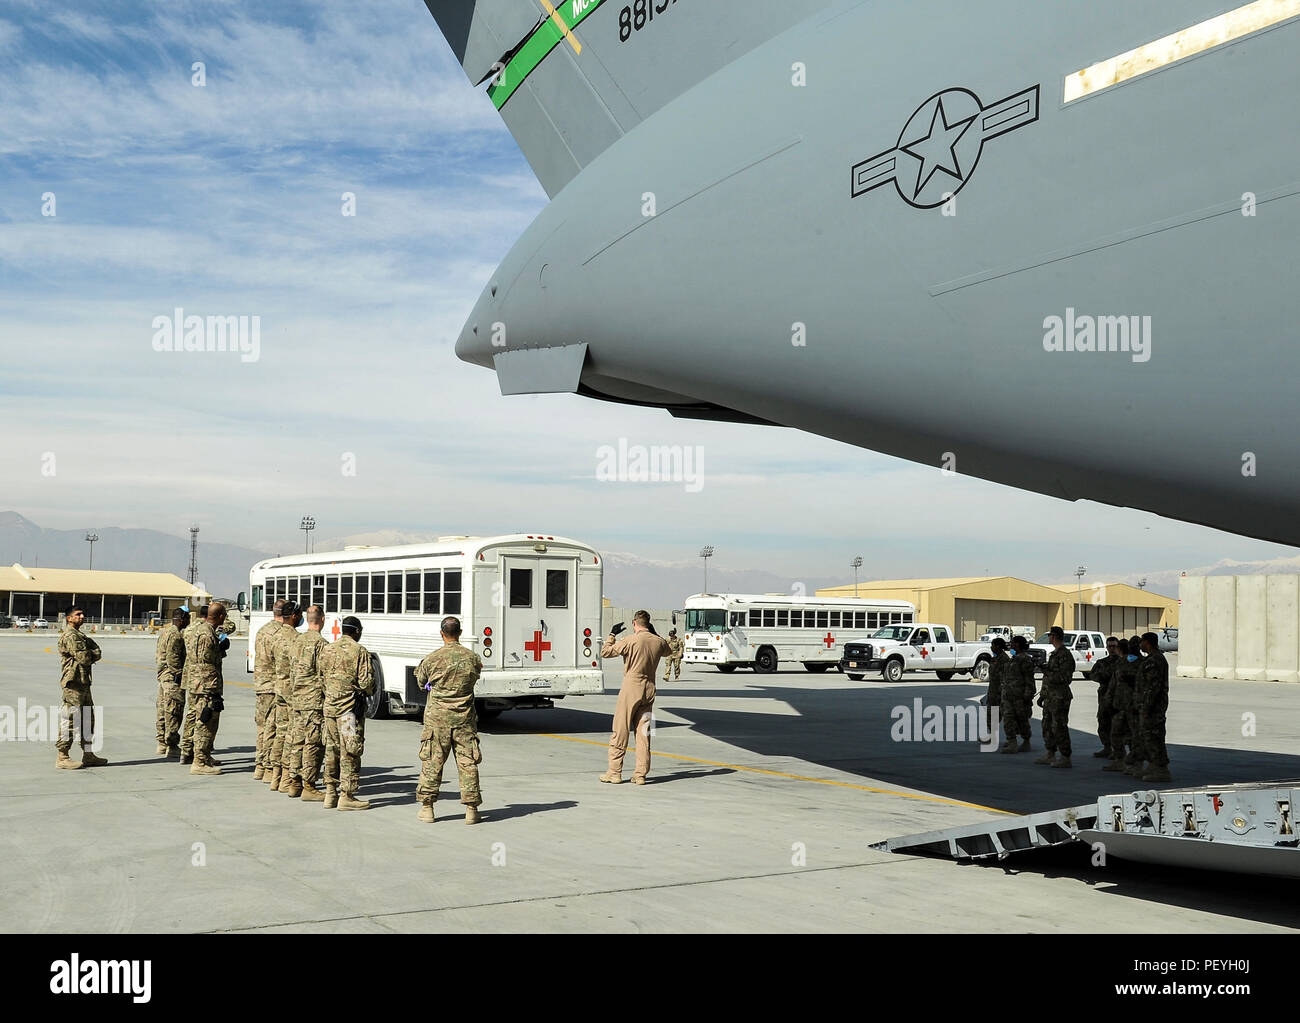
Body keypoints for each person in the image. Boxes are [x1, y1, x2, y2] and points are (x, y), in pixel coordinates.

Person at [414, 616, 484, 824]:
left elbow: (420, 681)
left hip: (437, 721)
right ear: (460, 633)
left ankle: (428, 808)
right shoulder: (472, 657)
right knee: (467, 763)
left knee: (432, 763)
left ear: (442, 633)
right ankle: (471, 810)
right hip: (464, 720)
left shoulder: (433, 658)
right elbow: (475, 677)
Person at [600, 611, 671, 784]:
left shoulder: (630, 640)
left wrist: (611, 635)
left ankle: (614, 772)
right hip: (649, 689)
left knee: (621, 728)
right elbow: (668, 651)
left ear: (634, 622)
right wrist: (654, 633)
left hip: (631, 686)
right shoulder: (658, 641)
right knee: (643, 732)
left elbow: (605, 652)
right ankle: (640, 774)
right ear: (649, 623)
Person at [318, 615, 374, 810]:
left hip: (330, 709)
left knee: (331, 750)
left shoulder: (327, 649)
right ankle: (346, 795)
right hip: (348, 713)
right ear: (357, 631)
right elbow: (366, 682)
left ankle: (330, 793)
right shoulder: (359, 651)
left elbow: (321, 677)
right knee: (349, 751)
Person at [56, 606, 107, 769]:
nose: (82, 616)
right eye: (78, 614)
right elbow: (85, 657)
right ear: (69, 618)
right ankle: (62, 756)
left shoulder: (80, 635)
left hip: (83, 683)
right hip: (73, 684)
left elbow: (98, 651)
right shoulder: (71, 635)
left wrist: (92, 653)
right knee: (70, 719)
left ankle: (88, 754)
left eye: (83, 614)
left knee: (87, 719)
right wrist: (92, 653)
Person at [285, 605, 328, 800]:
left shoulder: (296, 640)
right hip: (313, 701)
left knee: (297, 740)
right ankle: (309, 786)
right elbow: (324, 674)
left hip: (296, 699)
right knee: (313, 743)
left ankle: (294, 782)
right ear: (322, 620)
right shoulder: (321, 644)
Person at [187, 602, 227, 776]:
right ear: (218, 616)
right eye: (223, 615)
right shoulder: (206, 634)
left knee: (206, 720)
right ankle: (199, 762)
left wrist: (219, 648)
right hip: (205, 684)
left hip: (199, 682)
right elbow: (205, 662)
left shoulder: (200, 630)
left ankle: (205, 756)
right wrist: (213, 688)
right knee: (205, 721)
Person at [267, 601, 303, 791]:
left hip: (278, 687)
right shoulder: (296, 639)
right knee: (292, 734)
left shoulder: (275, 636)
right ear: (295, 616)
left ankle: (276, 776)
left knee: (280, 731)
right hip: (291, 690)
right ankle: (287, 779)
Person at [252, 599, 287, 780]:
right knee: (273, 728)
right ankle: (268, 768)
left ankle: (259, 766)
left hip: (261, 685)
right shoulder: (281, 634)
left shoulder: (262, 630)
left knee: (262, 727)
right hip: (274, 686)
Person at [1034, 626, 1074, 767]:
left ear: (1054, 636)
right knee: (1047, 725)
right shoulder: (1055, 654)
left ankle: (1065, 757)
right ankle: (1050, 754)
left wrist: (1047, 670)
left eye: (1050, 635)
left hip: (1060, 697)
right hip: (1050, 696)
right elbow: (1049, 678)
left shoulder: (1064, 655)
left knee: (1059, 726)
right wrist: (1043, 695)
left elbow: (1065, 677)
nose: (1049, 638)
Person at [1136, 632, 1172, 782]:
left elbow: (1153, 687)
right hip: (1149, 705)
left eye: (1142, 642)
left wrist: (1146, 708)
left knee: (1154, 737)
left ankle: (1161, 769)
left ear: (1148, 643)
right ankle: (1153, 764)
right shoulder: (1152, 659)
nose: (1140, 645)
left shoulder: (1154, 660)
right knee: (1148, 737)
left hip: (1153, 707)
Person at [154, 608, 189, 758]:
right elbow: (172, 658)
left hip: (163, 676)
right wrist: (179, 674)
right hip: (171, 678)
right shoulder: (175, 634)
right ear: (181, 618)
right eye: (187, 619)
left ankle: (162, 743)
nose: (188, 622)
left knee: (162, 711)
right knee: (173, 712)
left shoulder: (165, 632)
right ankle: (172, 745)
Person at [178, 603, 208, 765]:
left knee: (191, 713)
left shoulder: (188, 629)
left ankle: (186, 748)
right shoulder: (206, 629)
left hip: (189, 675)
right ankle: (200, 752)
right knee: (203, 715)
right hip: (202, 678)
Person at [1103, 638, 1137, 772]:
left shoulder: (1126, 662)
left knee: (1125, 734)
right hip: (1121, 703)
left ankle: (1131, 762)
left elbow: (1114, 684)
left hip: (1125, 703)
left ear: (1119, 649)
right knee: (1119, 733)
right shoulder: (1128, 661)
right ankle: (1122, 761)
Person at [1090, 637, 1121, 758]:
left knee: (1117, 724)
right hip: (1104, 697)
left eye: (1114, 646)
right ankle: (1107, 747)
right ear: (1107, 648)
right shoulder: (1102, 662)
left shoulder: (1122, 662)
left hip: (1118, 697)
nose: (1112, 649)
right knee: (1103, 722)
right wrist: (1104, 676)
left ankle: (1117, 749)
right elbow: (1092, 675)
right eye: (1110, 646)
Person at [1008, 635, 1035, 751]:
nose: (1011, 645)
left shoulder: (1024, 659)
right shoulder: (1014, 658)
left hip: (1020, 695)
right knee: (1009, 718)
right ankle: (1012, 742)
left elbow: (1029, 679)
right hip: (1010, 695)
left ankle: (1026, 741)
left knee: (1022, 719)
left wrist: (1027, 696)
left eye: (1013, 643)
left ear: (1018, 644)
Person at [986, 638, 1012, 751]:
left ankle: (1010, 739)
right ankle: (991, 736)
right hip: (992, 690)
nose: (991, 647)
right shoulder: (995, 658)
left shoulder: (1004, 659)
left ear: (998, 646)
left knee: (1005, 715)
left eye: (993, 645)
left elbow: (1005, 676)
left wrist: (1002, 691)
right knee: (991, 714)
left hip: (1000, 691)